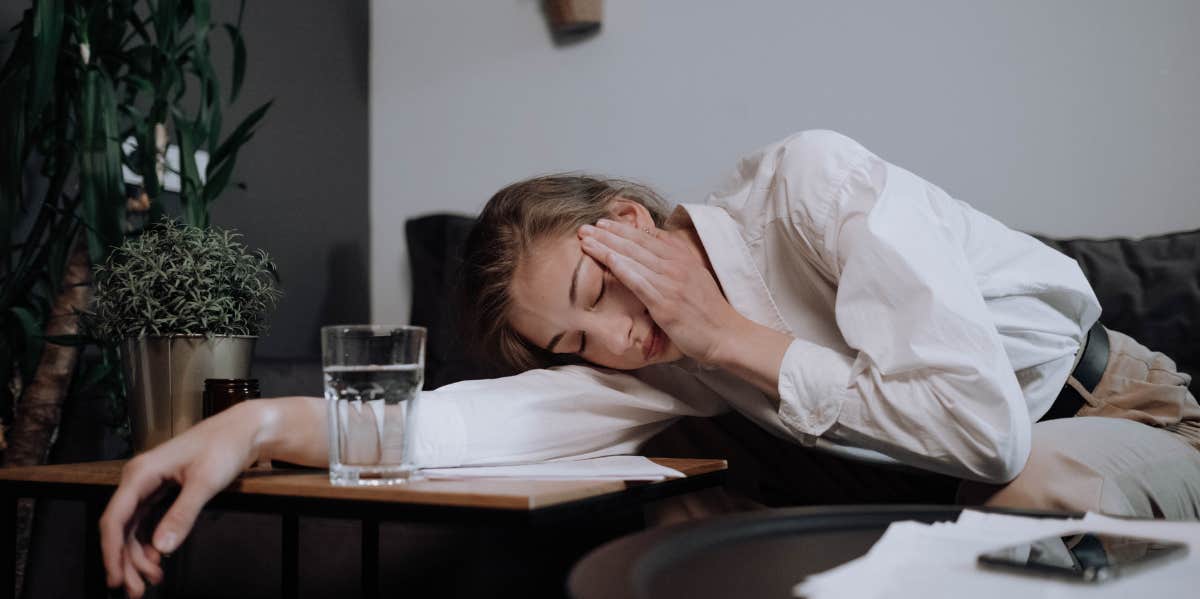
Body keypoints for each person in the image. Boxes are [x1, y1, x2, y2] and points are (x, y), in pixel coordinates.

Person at [99, 130, 1200, 596]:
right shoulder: (648, 364)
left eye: (598, 294)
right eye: (577, 341)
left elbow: (985, 428)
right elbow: (468, 424)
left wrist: (734, 341)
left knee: (1024, 485)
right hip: (920, 494)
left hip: (1119, 411)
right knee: (673, 525)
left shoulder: (811, 188)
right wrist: (245, 424)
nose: (618, 343)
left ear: (627, 222)